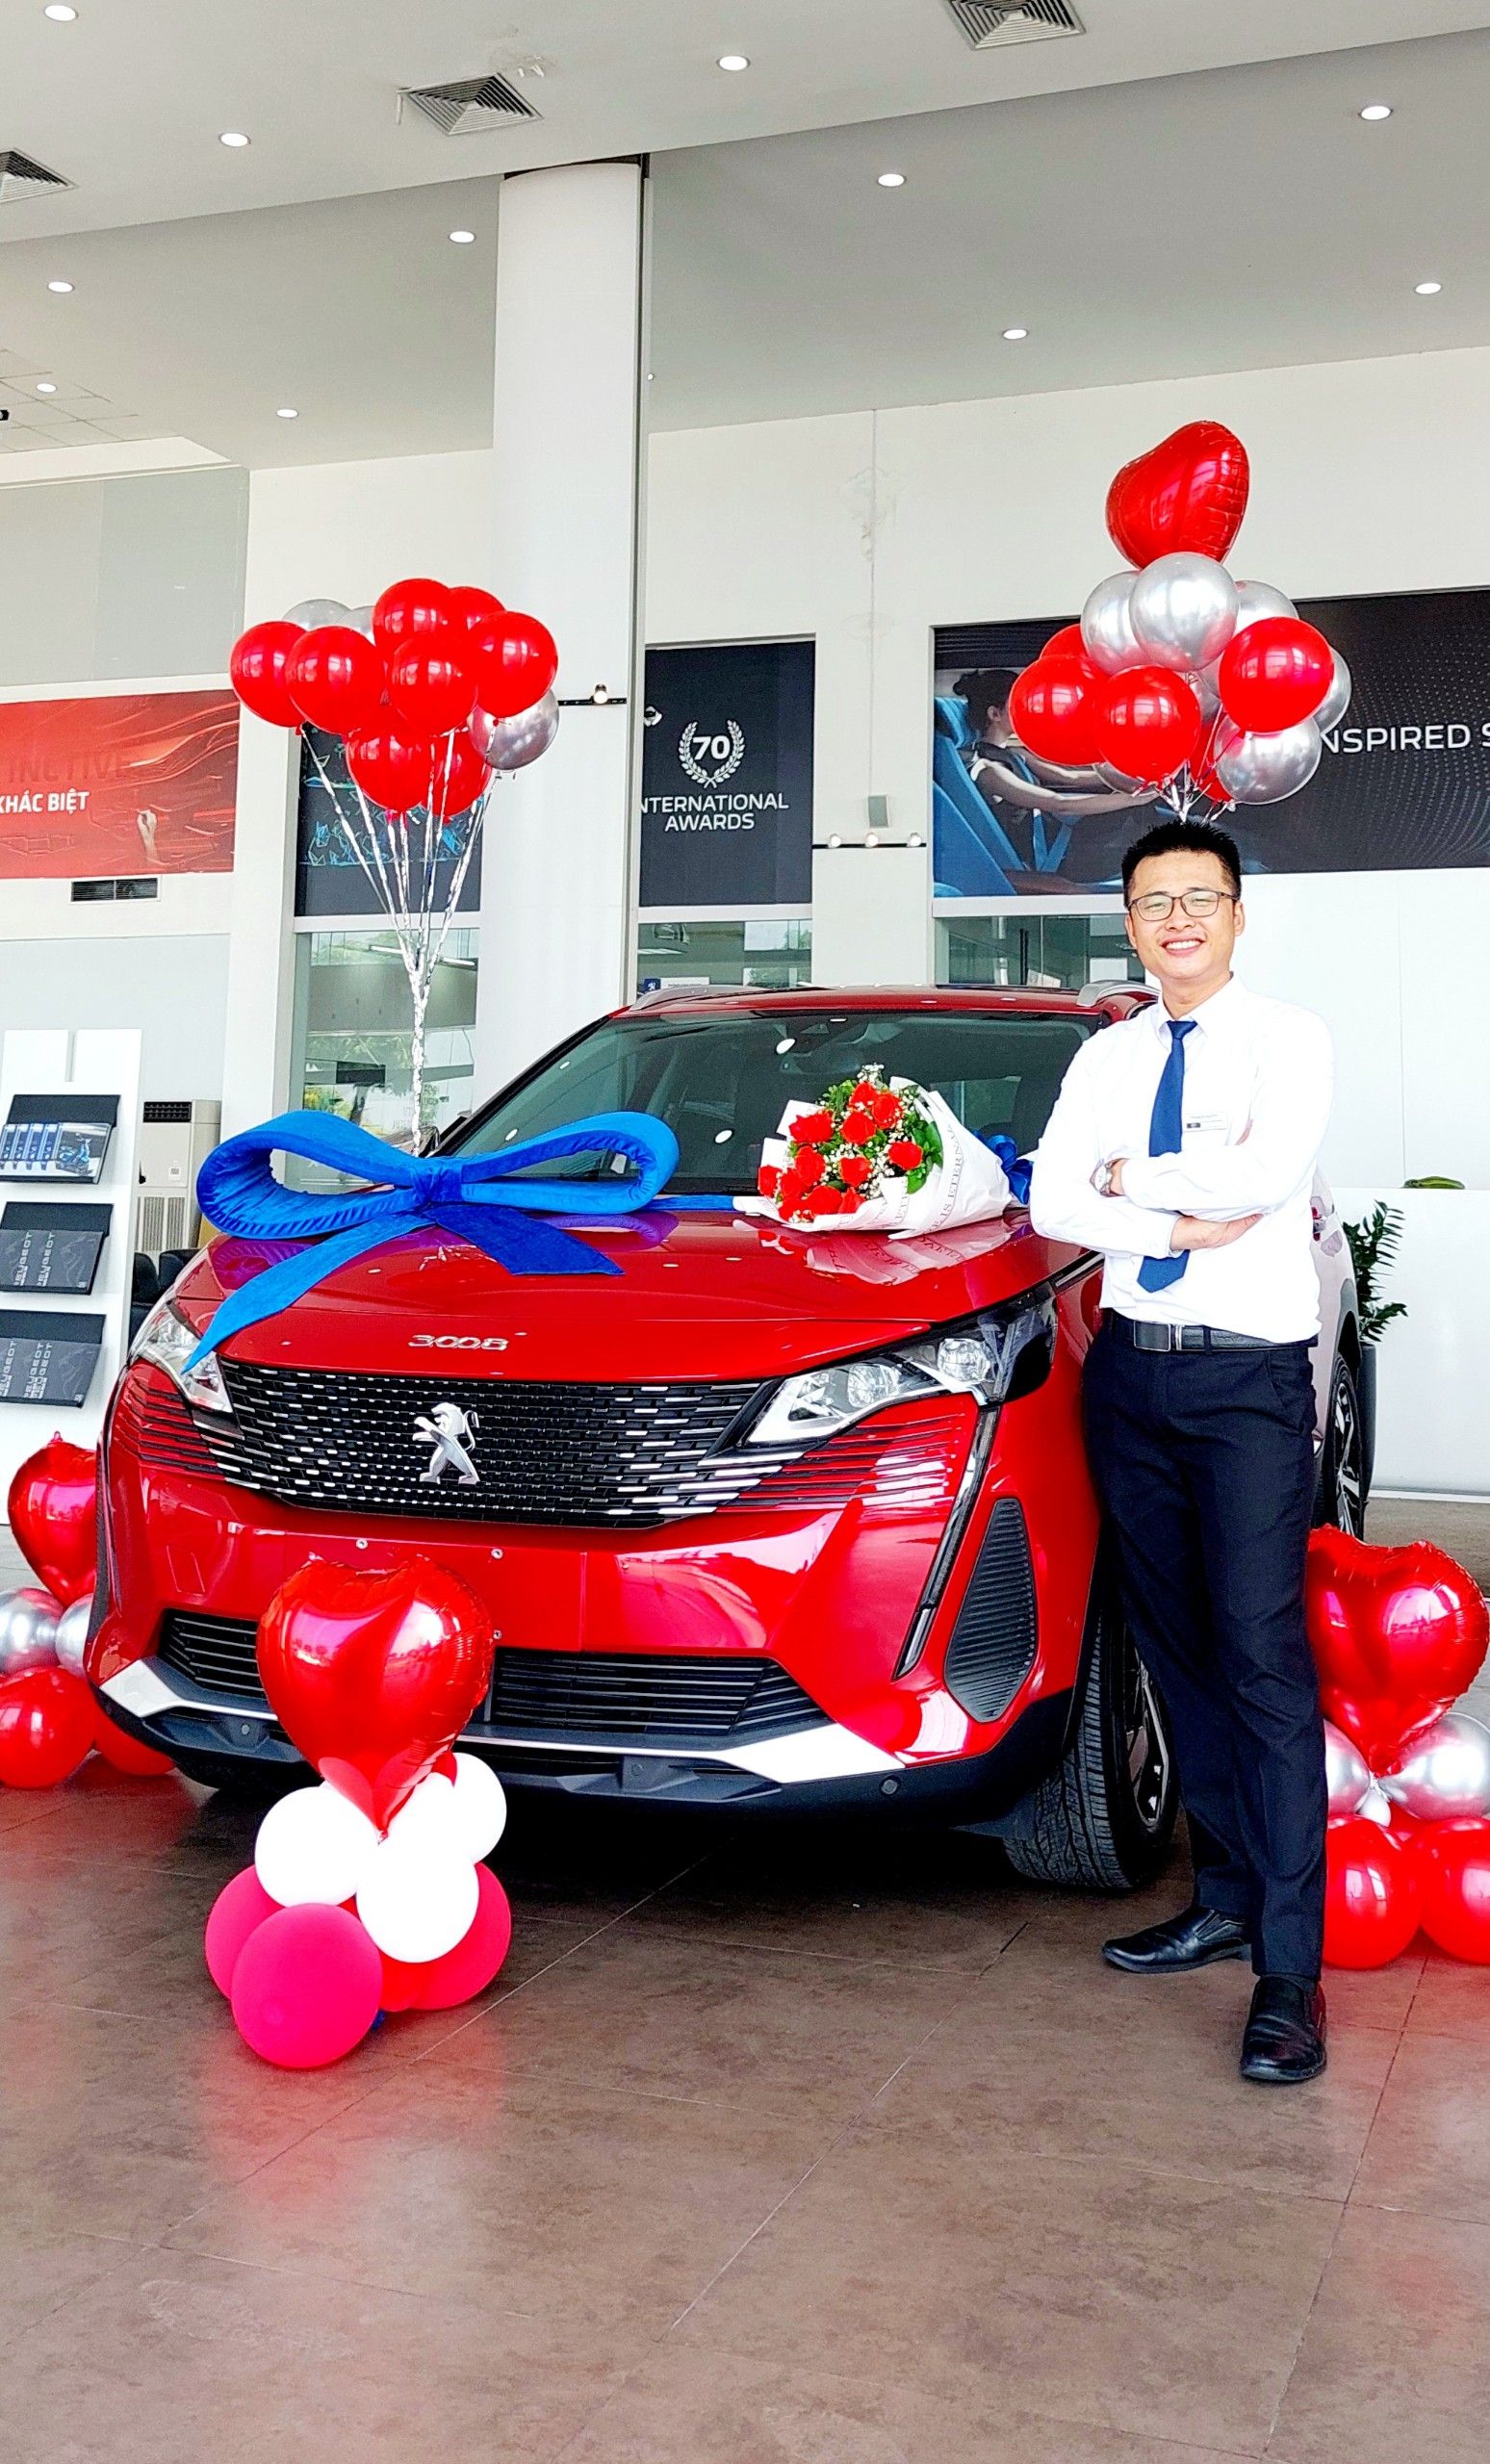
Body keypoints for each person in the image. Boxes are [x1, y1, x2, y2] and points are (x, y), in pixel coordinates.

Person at [1028, 816, 1333, 2085]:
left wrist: (1125, 1177)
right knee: (1179, 1651)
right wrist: (1164, 1202)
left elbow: (1260, 1179)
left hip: (1247, 1380)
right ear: (1132, 923)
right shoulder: (1107, 1052)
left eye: (1200, 898)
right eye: (1155, 903)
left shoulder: (1289, 1040)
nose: (1178, 921)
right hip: (1132, 1377)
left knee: (1261, 1658)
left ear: (1238, 913)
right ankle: (1223, 1897)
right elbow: (1049, 1197)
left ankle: (1291, 1974)